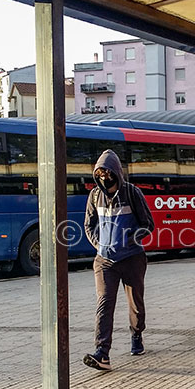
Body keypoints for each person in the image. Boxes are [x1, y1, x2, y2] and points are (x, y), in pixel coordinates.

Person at [83, 149, 156, 371]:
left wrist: (129, 238)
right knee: (104, 302)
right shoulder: (95, 196)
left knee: (136, 304)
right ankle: (102, 353)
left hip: (132, 257)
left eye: (107, 172)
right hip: (104, 260)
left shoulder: (132, 193)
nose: (104, 177)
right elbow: (89, 225)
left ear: (117, 172)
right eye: (100, 173)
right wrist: (100, 244)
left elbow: (148, 224)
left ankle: (136, 334)